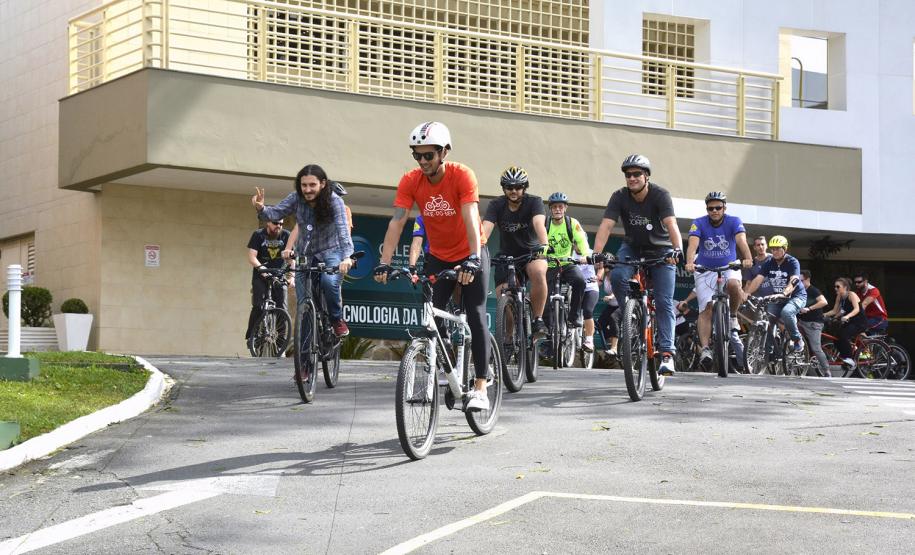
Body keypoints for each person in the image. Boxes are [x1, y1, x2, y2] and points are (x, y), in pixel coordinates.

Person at [373, 121, 491, 411]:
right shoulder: (411, 181)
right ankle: (449, 365)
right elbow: (397, 221)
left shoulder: (462, 175)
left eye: (429, 155)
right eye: (418, 155)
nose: (423, 161)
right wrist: (384, 264)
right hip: (438, 255)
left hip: (470, 251)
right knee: (432, 321)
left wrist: (473, 258)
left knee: (475, 314)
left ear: (444, 153)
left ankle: (480, 387)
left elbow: (470, 217)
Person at [593, 154, 683, 375]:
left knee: (663, 302)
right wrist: (596, 254)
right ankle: (631, 316)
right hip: (632, 247)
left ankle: (667, 354)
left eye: (636, 174)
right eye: (628, 175)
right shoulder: (619, 196)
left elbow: (671, 224)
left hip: (661, 250)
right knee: (617, 276)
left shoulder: (660, 195)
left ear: (646, 176)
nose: (631, 178)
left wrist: (677, 249)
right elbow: (606, 226)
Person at [252, 164, 354, 337]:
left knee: (329, 282)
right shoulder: (296, 198)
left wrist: (346, 257)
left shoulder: (334, 200)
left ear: (322, 184)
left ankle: (336, 320)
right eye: (304, 185)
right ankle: (305, 356)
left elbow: (343, 231)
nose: (307, 189)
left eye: (312, 185)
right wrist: (261, 208)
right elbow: (276, 213)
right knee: (304, 304)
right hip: (305, 254)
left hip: (332, 251)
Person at [684, 191, 752, 367]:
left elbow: (741, 241)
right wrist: (690, 262)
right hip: (704, 269)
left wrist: (748, 258)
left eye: (718, 207)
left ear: (724, 208)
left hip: (729, 266)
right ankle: (705, 348)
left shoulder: (734, 221)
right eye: (710, 208)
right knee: (706, 308)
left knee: (733, 284)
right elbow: (693, 244)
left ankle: (733, 315)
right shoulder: (698, 223)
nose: (714, 211)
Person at [481, 166, 549, 338]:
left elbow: (539, 223)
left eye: (518, 187)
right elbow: (485, 229)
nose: (513, 191)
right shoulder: (496, 205)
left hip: (532, 252)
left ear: (524, 188)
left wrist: (545, 244)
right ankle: (509, 337)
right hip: (507, 256)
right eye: (509, 187)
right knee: (504, 295)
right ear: (503, 188)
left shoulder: (534, 202)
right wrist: (477, 249)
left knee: (539, 271)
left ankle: (537, 319)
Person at [745, 235, 807, 353]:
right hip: (778, 298)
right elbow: (758, 279)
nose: (775, 251)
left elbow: (794, 280)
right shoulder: (769, 262)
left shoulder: (792, 261)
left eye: (778, 248)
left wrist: (784, 293)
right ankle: (770, 351)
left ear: (785, 249)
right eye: (773, 249)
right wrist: (746, 293)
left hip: (796, 296)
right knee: (767, 318)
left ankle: (797, 339)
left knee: (787, 313)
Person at [245, 218, 294, 348]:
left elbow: (291, 259)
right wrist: (263, 271)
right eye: (276, 223)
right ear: (268, 223)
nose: (279, 226)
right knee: (258, 306)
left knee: (282, 308)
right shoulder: (258, 235)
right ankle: (252, 336)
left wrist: (292, 277)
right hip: (261, 275)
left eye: (281, 224)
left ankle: (281, 344)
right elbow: (252, 256)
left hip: (279, 275)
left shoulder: (286, 236)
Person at [545, 192, 591, 328]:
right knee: (543, 295)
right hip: (550, 264)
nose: (557, 209)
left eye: (560, 206)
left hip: (567, 264)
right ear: (551, 209)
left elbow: (582, 240)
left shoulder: (572, 223)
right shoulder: (545, 223)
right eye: (554, 207)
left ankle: (573, 316)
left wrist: (585, 255)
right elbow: (539, 242)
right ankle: (548, 336)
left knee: (580, 282)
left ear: (565, 208)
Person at [824, 277, 868, 368]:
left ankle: (850, 358)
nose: (835, 288)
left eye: (838, 287)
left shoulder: (851, 295)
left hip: (859, 322)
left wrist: (847, 316)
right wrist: (823, 315)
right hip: (850, 321)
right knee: (836, 337)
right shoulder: (839, 296)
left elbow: (857, 309)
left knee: (843, 335)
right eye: (835, 287)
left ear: (845, 287)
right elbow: (835, 311)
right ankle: (845, 358)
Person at [798, 270, 831, 377]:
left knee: (816, 348)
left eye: (801, 281)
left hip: (813, 323)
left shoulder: (813, 290)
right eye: (797, 281)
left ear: (808, 279)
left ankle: (827, 371)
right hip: (801, 322)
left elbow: (824, 302)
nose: (799, 283)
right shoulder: (799, 290)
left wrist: (809, 308)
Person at [596, 264, 620, 356]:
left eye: (609, 271)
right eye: (606, 271)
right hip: (611, 305)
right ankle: (612, 339)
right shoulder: (605, 277)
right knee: (600, 323)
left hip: (621, 305)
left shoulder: (617, 277)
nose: (609, 273)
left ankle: (614, 348)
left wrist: (611, 296)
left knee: (614, 318)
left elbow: (617, 289)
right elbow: (598, 283)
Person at [580, 262, 600, 352]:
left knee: (587, 311)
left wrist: (598, 276)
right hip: (574, 288)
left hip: (590, 288)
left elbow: (601, 266)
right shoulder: (567, 252)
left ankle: (589, 340)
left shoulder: (590, 252)